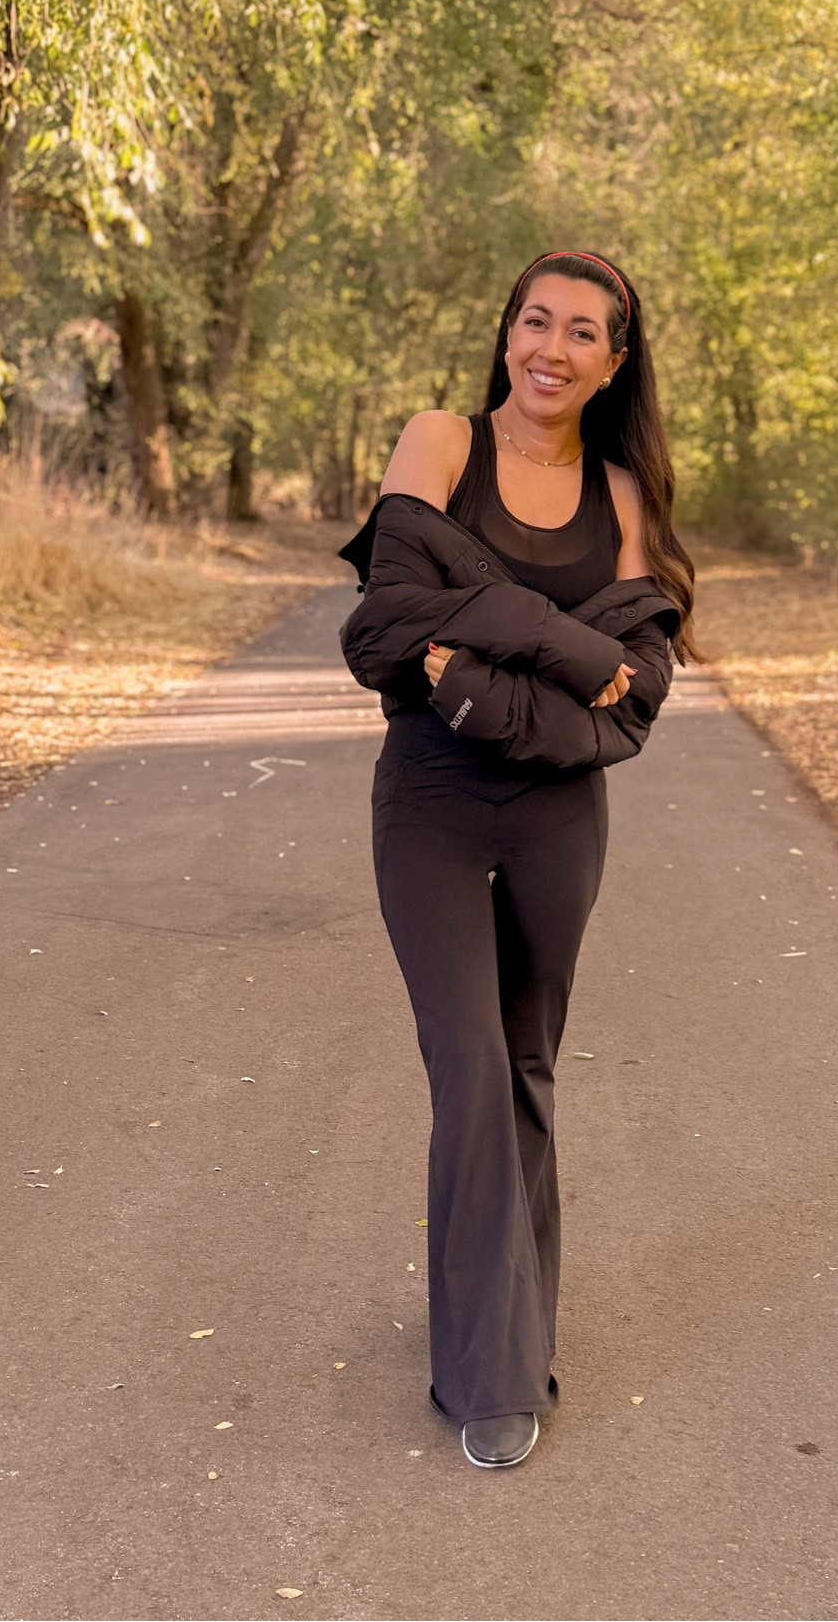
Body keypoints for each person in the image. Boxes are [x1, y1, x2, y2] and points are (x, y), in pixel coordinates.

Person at [337, 251, 698, 1469]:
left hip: (557, 818)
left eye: (581, 332)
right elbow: (383, 630)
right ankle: (488, 1376)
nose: (551, 347)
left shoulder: (622, 495)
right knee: (471, 1065)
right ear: (506, 334)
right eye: (533, 322)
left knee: (528, 1066)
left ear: (613, 360)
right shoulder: (439, 441)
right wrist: (553, 639)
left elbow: (632, 699)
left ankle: (513, 1322)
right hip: (430, 806)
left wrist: (475, 669)